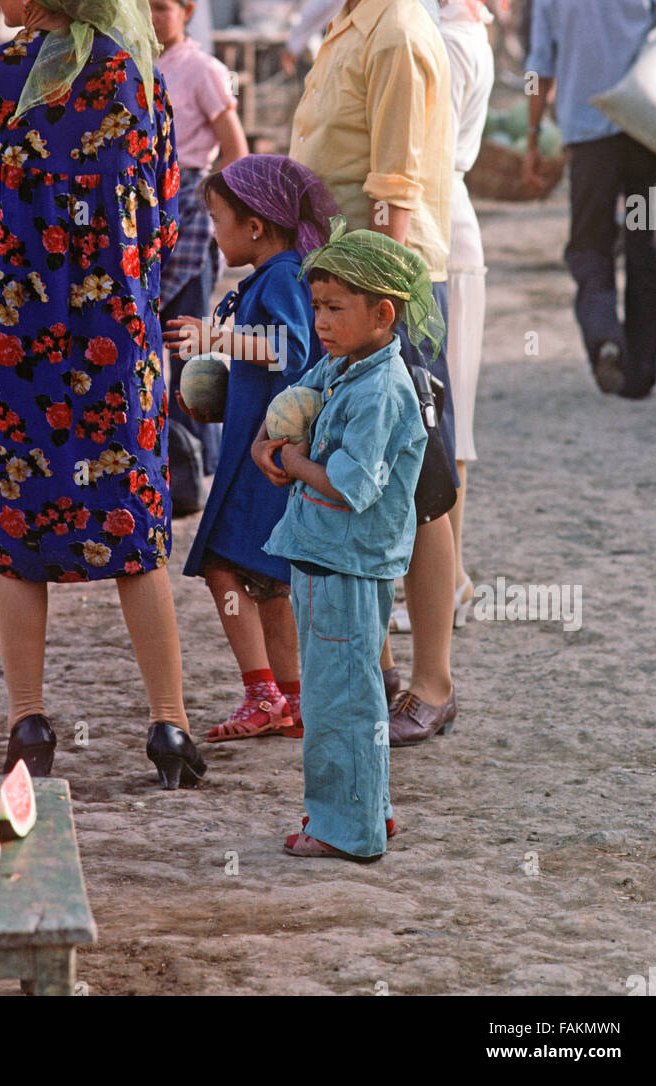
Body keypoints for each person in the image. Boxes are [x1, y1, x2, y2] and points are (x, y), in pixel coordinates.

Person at [0, 0, 206, 792]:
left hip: (14, 342)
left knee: (19, 533)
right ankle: (168, 728)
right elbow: (163, 221)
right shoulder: (135, 79)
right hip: (115, 342)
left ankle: (29, 726)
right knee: (135, 532)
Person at [288, 0, 458, 747]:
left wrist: (378, 319)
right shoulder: (354, 20)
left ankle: (431, 679)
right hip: (348, 291)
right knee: (357, 472)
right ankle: (380, 666)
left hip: (388, 292)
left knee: (423, 486)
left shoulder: (395, 34)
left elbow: (393, 195)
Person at [253, 229, 433, 860]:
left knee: (340, 705)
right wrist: (265, 447)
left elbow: (347, 488)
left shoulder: (381, 390)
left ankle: (344, 830)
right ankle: (369, 813)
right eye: (318, 306)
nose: (320, 321)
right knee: (348, 695)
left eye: (335, 309)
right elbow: (290, 412)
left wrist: (297, 463)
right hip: (323, 558)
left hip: (347, 566)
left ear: (383, 314)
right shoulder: (343, 367)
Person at [164, 156, 337, 742]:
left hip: (263, 461)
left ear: (256, 226)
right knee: (269, 579)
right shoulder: (269, 278)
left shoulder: (285, 277)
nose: (213, 232)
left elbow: (288, 349)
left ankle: (262, 694)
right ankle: (291, 700)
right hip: (257, 452)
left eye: (217, 220)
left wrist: (214, 337)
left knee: (221, 566)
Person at [525, 0, 656, 400]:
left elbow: (539, 70)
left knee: (589, 246)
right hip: (647, 141)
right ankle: (641, 375)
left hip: (588, 143)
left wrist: (532, 137)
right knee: (646, 247)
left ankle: (604, 336)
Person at [416, 0, 512, 623]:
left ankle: (443, 580)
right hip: (451, 221)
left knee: (440, 419)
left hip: (437, 225)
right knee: (449, 415)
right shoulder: (465, 23)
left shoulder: (443, 33)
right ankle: (447, 575)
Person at [140, 0, 248, 478]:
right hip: (143, 212)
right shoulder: (133, 63)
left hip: (187, 210)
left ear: (187, 11)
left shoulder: (201, 68)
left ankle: (195, 468)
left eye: (163, 7)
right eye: (146, 6)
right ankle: (162, 461)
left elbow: (236, 149)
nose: (154, 16)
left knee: (187, 344)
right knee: (149, 340)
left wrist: (212, 207)